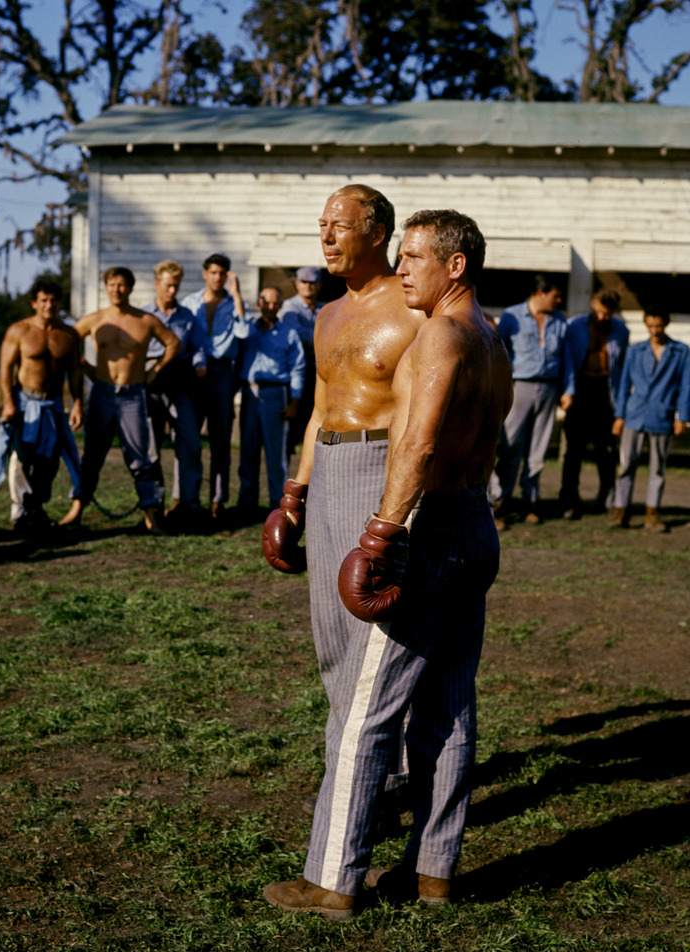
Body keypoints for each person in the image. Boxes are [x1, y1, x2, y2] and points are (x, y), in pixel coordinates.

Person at [264, 209, 511, 919]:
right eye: (399, 257)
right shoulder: (491, 337)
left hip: (430, 524)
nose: (403, 269)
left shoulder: (439, 334)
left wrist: (381, 531)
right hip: (475, 522)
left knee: (364, 711)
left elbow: (417, 445)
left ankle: (332, 881)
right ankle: (434, 875)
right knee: (449, 706)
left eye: (415, 257)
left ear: (454, 266)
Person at [260, 184, 425, 917]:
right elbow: (323, 407)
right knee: (334, 646)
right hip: (326, 468)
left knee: (377, 653)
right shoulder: (325, 315)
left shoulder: (413, 311)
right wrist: (292, 496)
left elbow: (425, 418)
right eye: (321, 225)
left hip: (380, 472)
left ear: (378, 232)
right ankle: (378, 785)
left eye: (340, 225)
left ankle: (354, 827)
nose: (325, 237)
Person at [74, 267, 180, 533]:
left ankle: (150, 514)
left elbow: (173, 344)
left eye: (122, 285)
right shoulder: (95, 319)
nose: (116, 289)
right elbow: (67, 342)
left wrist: (154, 370)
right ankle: (76, 510)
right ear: (105, 287)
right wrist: (86, 368)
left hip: (133, 395)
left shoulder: (145, 320)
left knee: (140, 456)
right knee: (92, 456)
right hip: (102, 393)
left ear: (130, 289)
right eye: (111, 284)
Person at [0, 279, 83, 535]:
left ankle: (36, 509)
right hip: (24, 404)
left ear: (60, 303)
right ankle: (20, 513)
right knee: (20, 458)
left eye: (53, 300)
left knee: (49, 460)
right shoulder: (19, 331)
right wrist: (8, 403)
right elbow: (6, 368)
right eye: (43, 300)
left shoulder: (68, 335)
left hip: (52, 405)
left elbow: (75, 371)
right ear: (34, 302)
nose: (49, 305)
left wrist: (77, 404)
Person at [489, 275, 568, 528]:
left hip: (549, 387)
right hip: (519, 386)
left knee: (538, 450)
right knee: (512, 447)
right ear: (539, 293)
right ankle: (499, 504)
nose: (559, 300)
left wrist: (569, 389)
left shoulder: (559, 320)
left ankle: (530, 503)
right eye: (555, 295)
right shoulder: (512, 316)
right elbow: (500, 353)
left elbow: (567, 358)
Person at [180, 253, 250, 519]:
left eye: (222, 273)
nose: (217, 278)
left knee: (220, 441)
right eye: (213, 272)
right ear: (204, 274)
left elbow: (244, 333)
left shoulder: (234, 304)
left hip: (222, 373)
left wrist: (239, 296)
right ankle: (185, 497)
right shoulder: (190, 302)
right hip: (193, 374)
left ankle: (218, 501)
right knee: (188, 440)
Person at [609, 305, 690, 531]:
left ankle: (652, 513)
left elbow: (686, 387)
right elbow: (624, 384)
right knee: (626, 464)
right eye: (650, 326)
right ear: (646, 325)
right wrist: (619, 415)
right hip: (634, 415)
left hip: (663, 415)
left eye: (659, 326)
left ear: (666, 324)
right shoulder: (635, 351)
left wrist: (681, 417)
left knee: (657, 468)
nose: (654, 331)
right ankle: (620, 511)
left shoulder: (681, 352)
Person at [141, 260, 206, 523]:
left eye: (176, 286)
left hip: (180, 384)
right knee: (152, 449)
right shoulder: (144, 315)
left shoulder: (186, 316)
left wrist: (200, 365)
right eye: (168, 285)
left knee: (190, 444)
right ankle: (154, 507)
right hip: (151, 384)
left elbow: (198, 347)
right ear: (157, 284)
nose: (172, 291)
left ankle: (188, 505)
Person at [559, 288, 629, 520]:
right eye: (598, 312)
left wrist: (620, 405)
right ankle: (569, 500)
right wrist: (567, 391)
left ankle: (607, 499)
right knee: (573, 452)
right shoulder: (574, 326)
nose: (601, 318)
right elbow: (568, 360)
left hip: (605, 392)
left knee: (606, 452)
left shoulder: (621, 330)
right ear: (592, 305)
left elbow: (622, 369)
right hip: (580, 390)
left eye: (606, 314)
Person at [236, 286, 305, 515]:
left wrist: (294, 402)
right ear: (259, 302)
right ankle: (247, 503)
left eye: (276, 303)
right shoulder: (248, 331)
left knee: (276, 453)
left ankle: (278, 506)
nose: (271, 307)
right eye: (267, 302)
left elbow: (298, 368)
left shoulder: (288, 333)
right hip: (250, 393)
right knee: (248, 449)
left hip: (277, 394)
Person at [280, 266, 323, 453]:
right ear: (297, 284)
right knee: (292, 426)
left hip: (319, 372)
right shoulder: (289, 307)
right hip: (297, 371)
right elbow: (297, 336)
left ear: (319, 285)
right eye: (304, 282)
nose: (308, 286)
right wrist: (326, 335)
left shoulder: (324, 308)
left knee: (315, 420)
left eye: (312, 283)